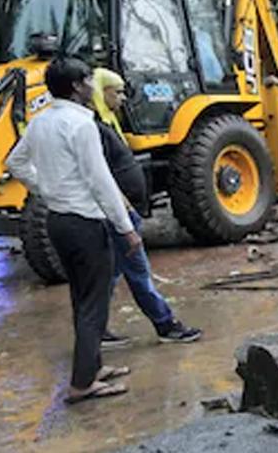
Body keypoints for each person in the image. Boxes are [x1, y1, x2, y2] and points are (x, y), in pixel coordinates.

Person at [6, 57, 138, 404]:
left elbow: (14, 162)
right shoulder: (81, 125)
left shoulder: (40, 122)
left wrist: (46, 189)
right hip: (85, 222)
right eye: (90, 80)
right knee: (94, 302)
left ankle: (92, 368)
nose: (94, 86)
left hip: (58, 221)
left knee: (82, 297)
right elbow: (100, 180)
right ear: (78, 86)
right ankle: (82, 384)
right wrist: (126, 228)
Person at [90, 68, 203, 348]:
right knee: (139, 274)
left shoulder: (108, 125)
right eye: (117, 92)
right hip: (121, 216)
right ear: (101, 93)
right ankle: (166, 325)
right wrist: (125, 211)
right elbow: (101, 174)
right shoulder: (96, 129)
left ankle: (97, 328)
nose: (123, 98)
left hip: (123, 212)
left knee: (113, 274)